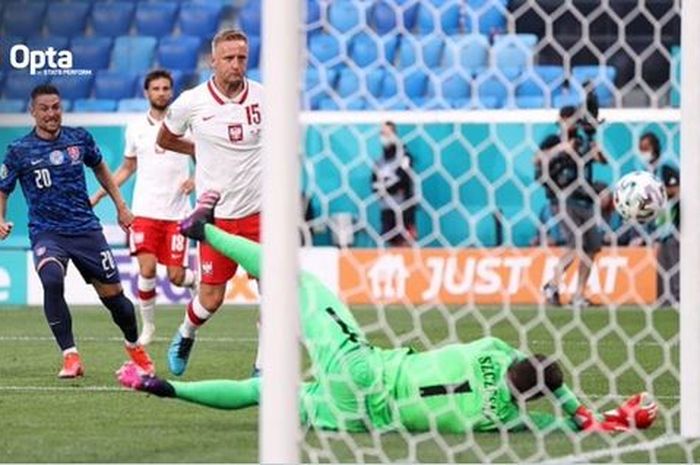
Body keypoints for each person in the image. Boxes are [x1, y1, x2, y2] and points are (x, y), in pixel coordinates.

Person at [117, 190, 657, 434]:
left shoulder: (496, 349)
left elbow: (537, 373)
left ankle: (202, 230)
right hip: (363, 418)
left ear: (523, 358)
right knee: (264, 394)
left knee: (294, 279)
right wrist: (604, 418)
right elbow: (562, 424)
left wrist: (568, 399)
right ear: (529, 395)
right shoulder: (508, 419)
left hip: (366, 366)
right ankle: (166, 388)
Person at [0, 84, 154, 378]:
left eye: (55, 107)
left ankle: (134, 347)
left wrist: (121, 206)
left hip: (85, 230)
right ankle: (70, 356)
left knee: (117, 302)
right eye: (44, 108)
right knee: (52, 279)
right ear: (33, 112)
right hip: (47, 232)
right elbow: (3, 189)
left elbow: (101, 169)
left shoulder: (79, 138)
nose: (51, 113)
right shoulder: (19, 151)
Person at [156, 29, 264, 376]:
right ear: (213, 61)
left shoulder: (265, 98)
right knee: (211, 299)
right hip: (217, 219)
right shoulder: (191, 101)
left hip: (260, 214)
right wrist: (198, 150)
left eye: (242, 58)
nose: (236, 64)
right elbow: (166, 137)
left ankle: (263, 368)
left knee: (275, 297)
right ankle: (186, 334)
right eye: (229, 58)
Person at [91, 69, 197, 345]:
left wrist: (195, 179)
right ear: (147, 93)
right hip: (145, 211)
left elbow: (204, 157)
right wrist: (102, 194)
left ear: (171, 92)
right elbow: (127, 167)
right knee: (147, 269)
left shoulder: (185, 124)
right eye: (156, 88)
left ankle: (194, 281)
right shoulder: (136, 128)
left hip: (177, 213)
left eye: (165, 88)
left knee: (176, 277)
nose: (161, 92)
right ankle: (148, 327)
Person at [536, 105, 608, 308]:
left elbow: (602, 161)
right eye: (568, 118)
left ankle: (579, 295)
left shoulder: (583, 140)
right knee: (574, 246)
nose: (571, 122)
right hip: (563, 200)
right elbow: (537, 159)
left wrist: (595, 151)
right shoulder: (553, 141)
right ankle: (552, 285)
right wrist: (562, 148)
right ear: (560, 119)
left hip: (585, 199)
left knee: (591, 248)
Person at [638, 132, 680, 305]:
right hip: (661, 228)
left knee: (676, 265)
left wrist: (658, 192)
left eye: (646, 148)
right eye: (641, 149)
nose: (643, 152)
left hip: (675, 226)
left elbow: (678, 190)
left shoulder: (666, 168)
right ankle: (665, 300)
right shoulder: (649, 173)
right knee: (663, 266)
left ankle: (678, 299)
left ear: (655, 148)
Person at [371, 121, 418, 247]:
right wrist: (384, 188)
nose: (384, 136)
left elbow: (403, 179)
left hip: (404, 207)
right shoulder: (379, 162)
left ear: (394, 134)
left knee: (406, 242)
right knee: (391, 243)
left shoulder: (404, 156)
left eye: (387, 133)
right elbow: (373, 184)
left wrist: (385, 187)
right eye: (382, 133)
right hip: (386, 209)